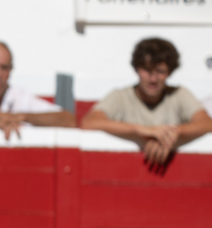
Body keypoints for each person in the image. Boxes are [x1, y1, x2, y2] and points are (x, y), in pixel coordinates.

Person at [81, 38, 212, 168]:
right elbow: (89, 122)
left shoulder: (179, 94)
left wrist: (168, 136)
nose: (153, 79)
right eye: (147, 70)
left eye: (160, 71)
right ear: (137, 69)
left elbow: (207, 123)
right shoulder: (120, 96)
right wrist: (142, 131)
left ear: (169, 72)